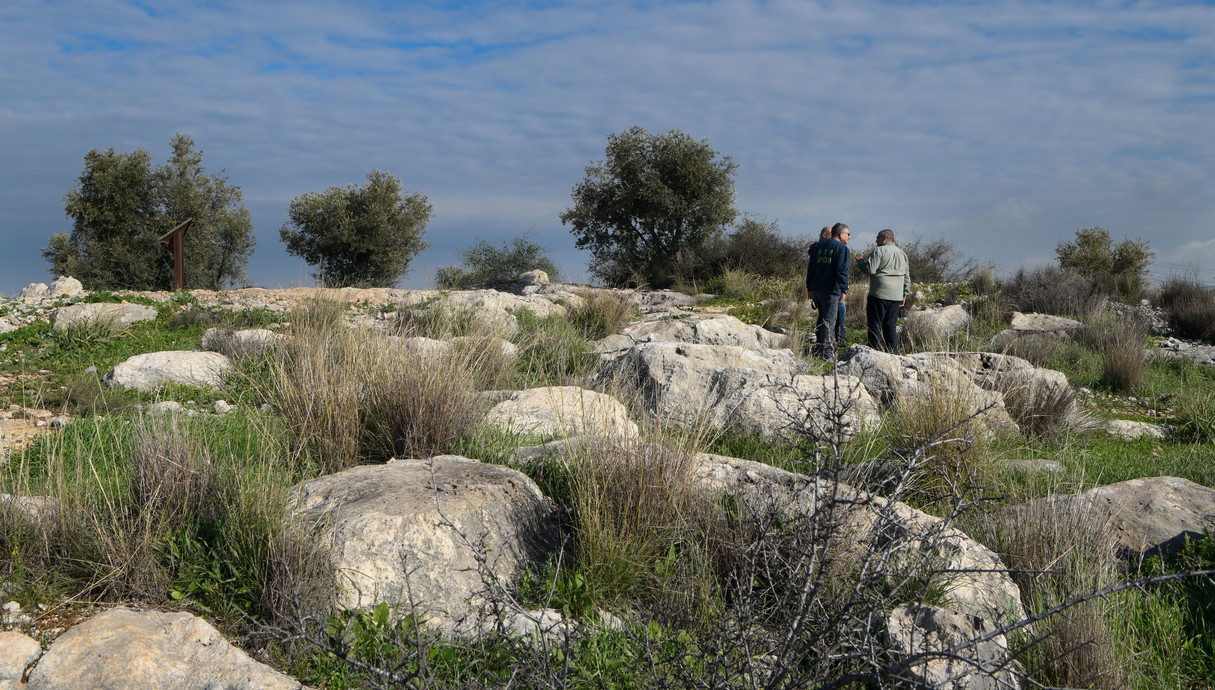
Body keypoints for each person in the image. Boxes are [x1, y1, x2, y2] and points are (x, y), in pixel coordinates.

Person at [855, 228, 910, 353]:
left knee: (875, 324)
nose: (875, 240)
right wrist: (904, 295)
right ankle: (893, 352)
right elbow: (907, 277)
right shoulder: (902, 254)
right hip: (896, 296)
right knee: (890, 325)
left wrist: (861, 262)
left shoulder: (879, 251)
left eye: (878, 237)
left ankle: (874, 352)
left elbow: (870, 269)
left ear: (885, 237)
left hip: (879, 293)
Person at [806, 223, 850, 359]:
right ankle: (827, 355)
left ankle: (819, 348)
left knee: (822, 319)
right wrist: (844, 289)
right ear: (841, 234)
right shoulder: (842, 248)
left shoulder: (817, 247)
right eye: (848, 234)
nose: (849, 237)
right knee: (829, 322)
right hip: (831, 291)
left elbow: (810, 269)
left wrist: (809, 288)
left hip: (816, 289)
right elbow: (841, 271)